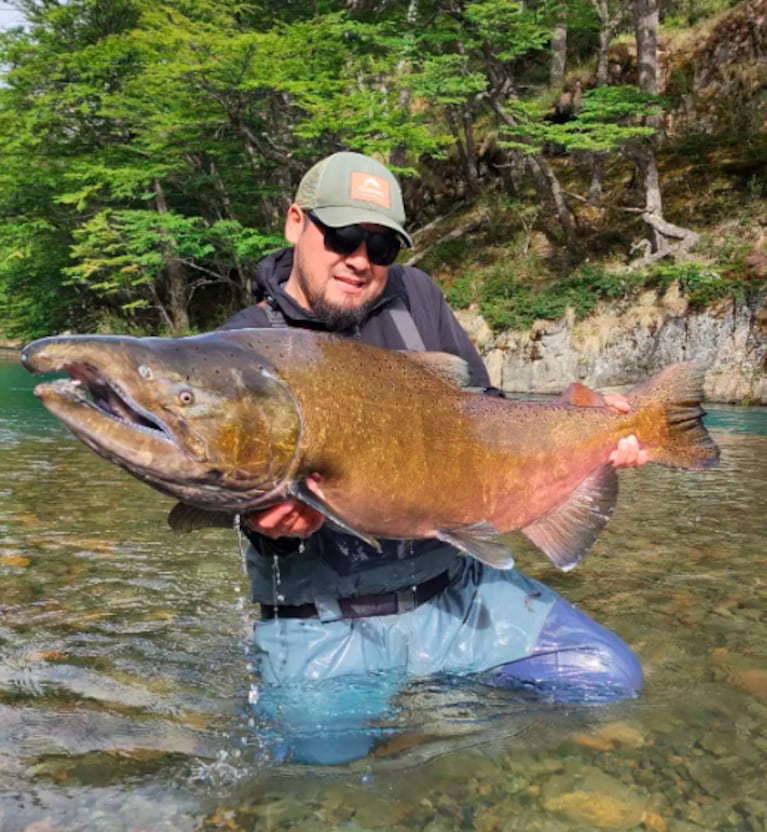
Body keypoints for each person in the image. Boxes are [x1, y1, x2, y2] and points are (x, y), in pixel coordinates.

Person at [220, 151, 647, 765]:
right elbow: (207, 488)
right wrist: (266, 525)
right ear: (295, 223)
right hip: (326, 621)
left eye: (382, 246)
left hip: (456, 591)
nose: (360, 259)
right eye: (341, 235)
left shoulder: (416, 297)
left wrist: (586, 422)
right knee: (320, 773)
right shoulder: (242, 348)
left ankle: (448, 711)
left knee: (607, 679)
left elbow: (488, 415)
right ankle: (430, 716)